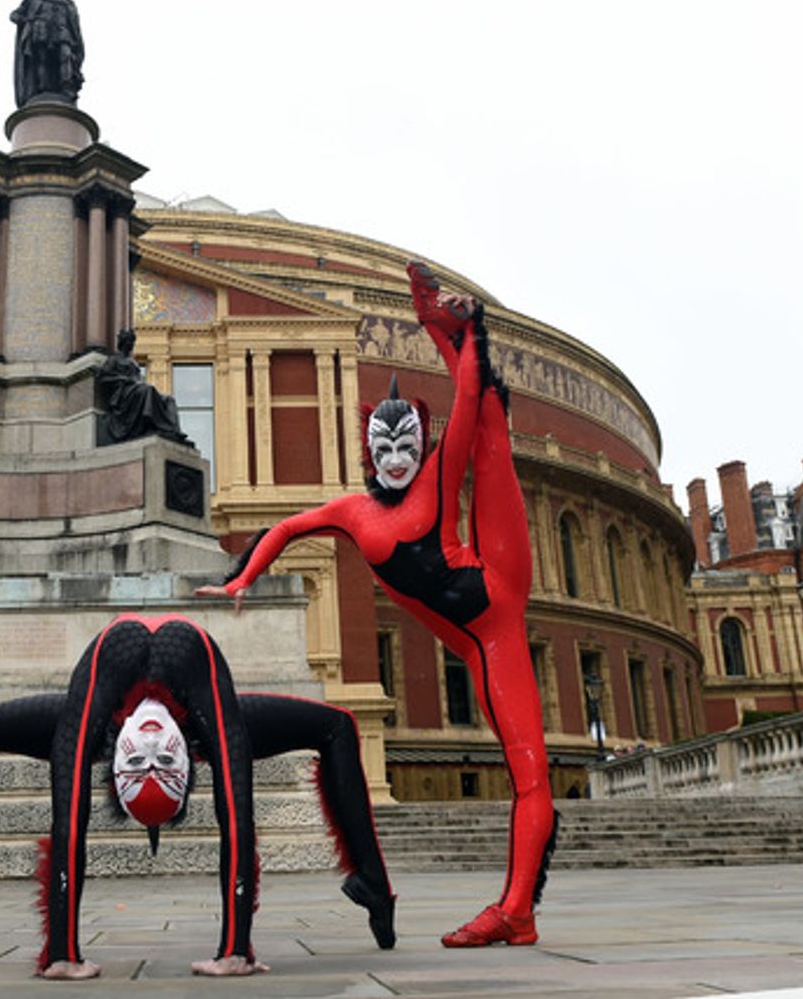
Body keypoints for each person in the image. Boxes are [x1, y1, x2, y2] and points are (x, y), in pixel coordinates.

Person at [196, 262, 557, 948]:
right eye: (384, 445)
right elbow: (285, 527)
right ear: (367, 448)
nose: (396, 456)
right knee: (524, 766)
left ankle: (516, 908)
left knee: (488, 435)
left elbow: (470, 395)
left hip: (495, 597)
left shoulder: (433, 485)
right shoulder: (354, 512)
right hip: (476, 635)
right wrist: (242, 578)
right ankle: (521, 913)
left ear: (421, 448)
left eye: (407, 445)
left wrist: (454, 330)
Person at [0, 613, 395, 978]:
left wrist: (62, 955)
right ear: (188, 762)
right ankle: (374, 882)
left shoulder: (101, 705)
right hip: (191, 711)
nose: (149, 746)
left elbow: (70, 819)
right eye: (163, 764)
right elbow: (237, 815)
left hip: (124, 714)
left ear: (112, 761)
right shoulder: (193, 675)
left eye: (139, 764)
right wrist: (236, 950)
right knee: (337, 726)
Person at [97, 328, 191, 445]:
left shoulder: (133, 362)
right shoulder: (114, 360)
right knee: (148, 390)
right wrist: (123, 379)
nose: (131, 345)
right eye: (129, 342)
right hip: (124, 394)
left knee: (169, 399)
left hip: (136, 390)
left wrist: (137, 382)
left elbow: (138, 378)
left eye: (132, 342)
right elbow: (103, 378)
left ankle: (174, 431)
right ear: (123, 344)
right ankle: (151, 423)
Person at [10, 0, 85, 107]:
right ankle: (42, 87)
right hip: (41, 32)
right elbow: (15, 15)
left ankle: (66, 88)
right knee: (41, 60)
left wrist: (77, 44)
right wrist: (26, 21)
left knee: (66, 56)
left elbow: (75, 26)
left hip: (63, 33)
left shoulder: (68, 3)